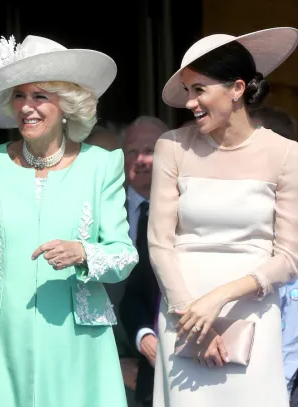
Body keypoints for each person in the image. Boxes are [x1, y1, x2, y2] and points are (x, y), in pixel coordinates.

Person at [0, 35, 138, 407]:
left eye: (40, 96)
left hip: (78, 346)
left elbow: (123, 256)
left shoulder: (102, 166)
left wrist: (84, 253)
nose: (27, 107)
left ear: (67, 104)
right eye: (19, 96)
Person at [148, 27, 298, 407]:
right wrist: (190, 316)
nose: (190, 102)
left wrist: (218, 298)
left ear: (237, 88)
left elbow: (288, 259)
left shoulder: (287, 155)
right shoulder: (172, 147)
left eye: (199, 89)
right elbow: (159, 244)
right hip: (183, 314)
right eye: (187, 90)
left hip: (252, 314)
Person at [118, 115, 168, 406]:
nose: (140, 160)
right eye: (132, 151)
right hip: (116, 361)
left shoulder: (187, 209)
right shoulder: (104, 212)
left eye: (150, 151)